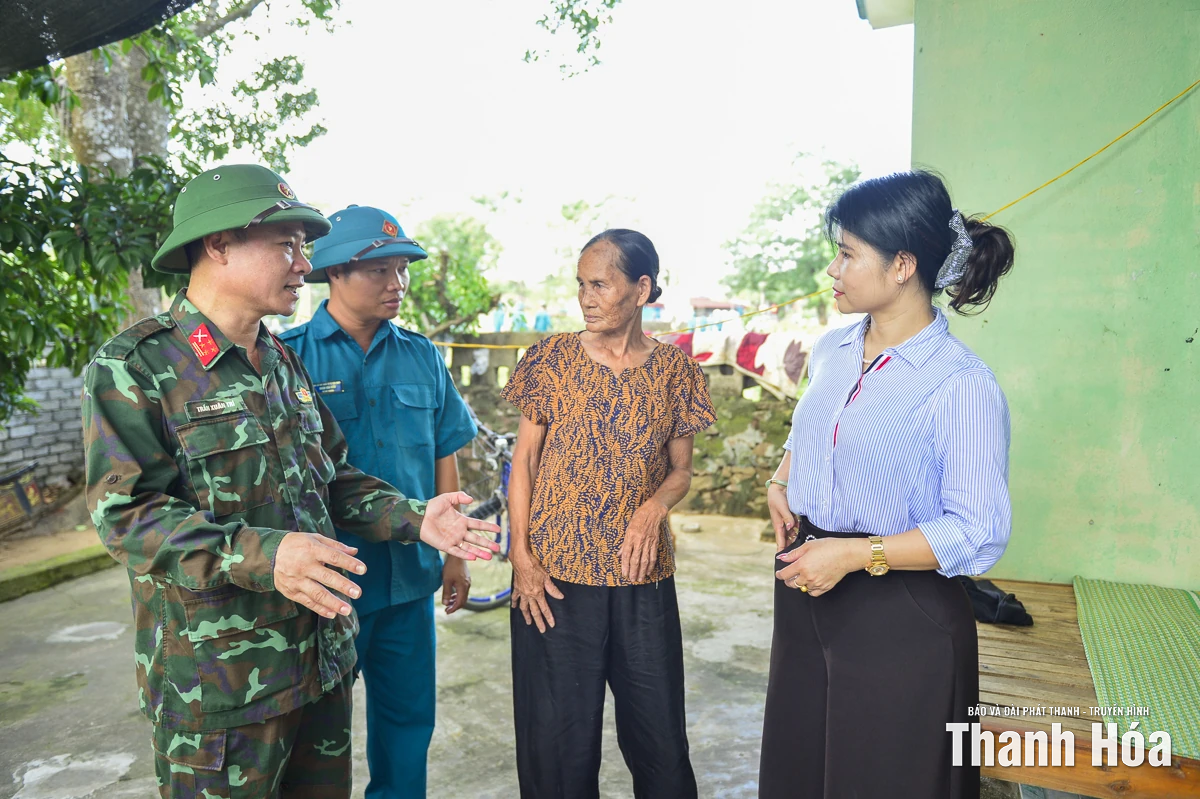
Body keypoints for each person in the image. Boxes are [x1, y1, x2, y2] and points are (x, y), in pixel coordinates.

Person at [81, 165, 499, 799]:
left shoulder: (280, 359)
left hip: (319, 664)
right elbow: (127, 517)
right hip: (220, 688)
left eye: (304, 245)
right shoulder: (137, 365)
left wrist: (418, 518)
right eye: (286, 244)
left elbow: (332, 480)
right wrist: (268, 553)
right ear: (217, 244)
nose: (305, 263)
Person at [758, 170, 1015, 799]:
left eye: (848, 254)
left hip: (899, 616)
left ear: (902, 265)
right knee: (801, 773)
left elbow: (978, 530)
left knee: (880, 778)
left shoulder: (960, 383)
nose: (834, 268)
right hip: (806, 591)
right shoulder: (833, 349)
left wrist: (853, 553)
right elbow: (817, 432)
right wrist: (782, 478)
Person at [501, 229, 716, 798]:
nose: (586, 297)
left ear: (641, 288)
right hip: (553, 581)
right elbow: (522, 463)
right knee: (557, 745)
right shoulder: (551, 359)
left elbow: (681, 471)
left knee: (660, 739)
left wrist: (654, 507)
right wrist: (520, 557)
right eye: (581, 284)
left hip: (641, 577)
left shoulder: (676, 371)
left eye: (600, 284)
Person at [279, 205, 478, 798]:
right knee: (316, 733)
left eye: (404, 270)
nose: (399, 284)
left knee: (407, 727)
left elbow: (447, 454)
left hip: (410, 580)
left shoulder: (421, 355)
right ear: (334, 273)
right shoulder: (289, 358)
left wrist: (457, 554)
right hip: (329, 583)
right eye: (381, 271)